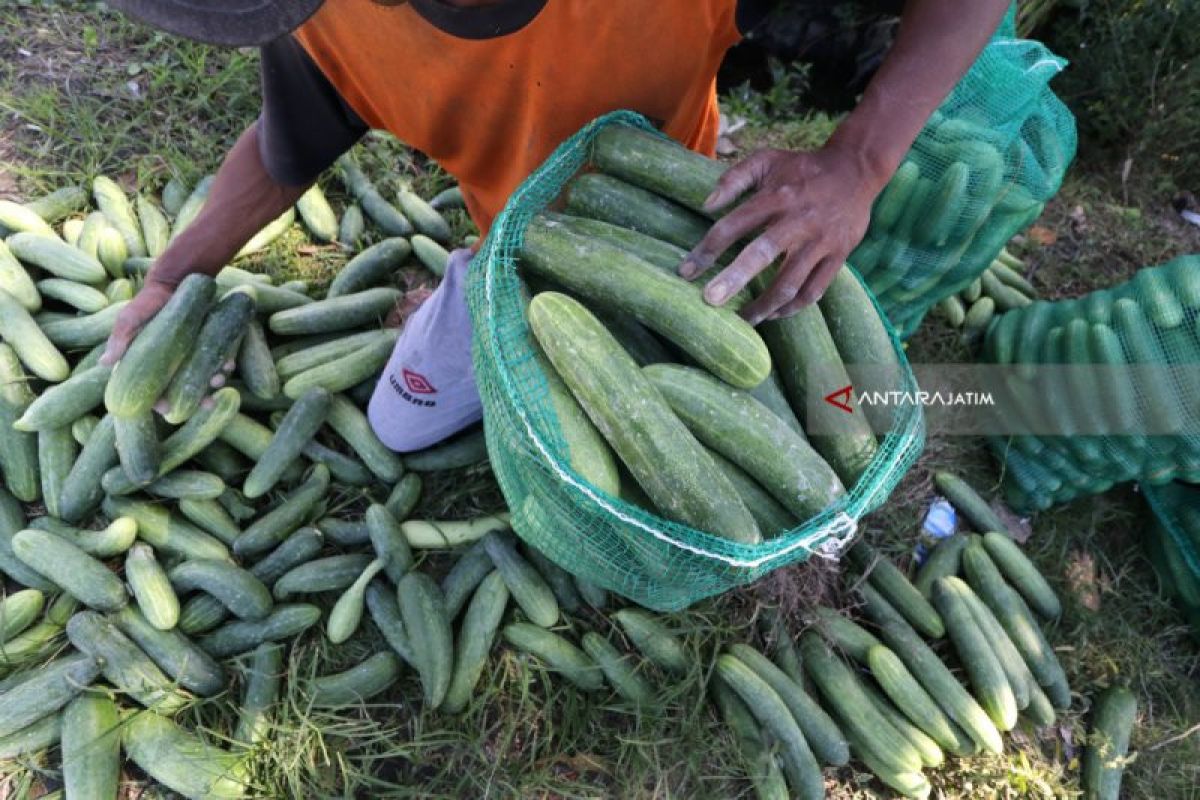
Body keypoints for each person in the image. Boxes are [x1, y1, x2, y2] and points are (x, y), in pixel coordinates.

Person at [103, 0, 1009, 451]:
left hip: (686, 240)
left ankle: (1046, 400)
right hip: (513, 249)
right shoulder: (334, 23)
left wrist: (857, 165)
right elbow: (283, 146)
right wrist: (171, 277)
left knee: (815, 425)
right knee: (398, 431)